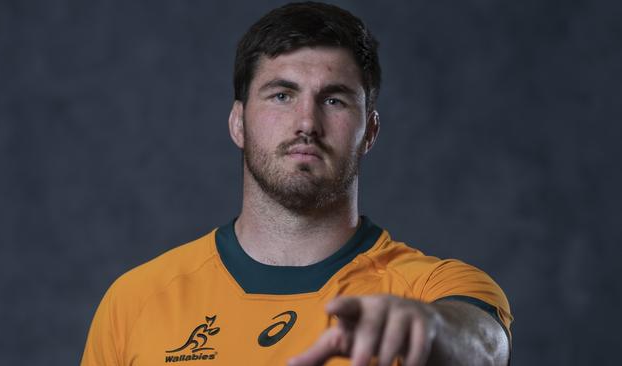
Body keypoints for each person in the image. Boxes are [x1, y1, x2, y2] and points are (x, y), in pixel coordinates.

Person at [81, 2, 512, 365]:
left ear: (371, 132)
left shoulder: (430, 289)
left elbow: (484, 344)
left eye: (334, 99)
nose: (307, 123)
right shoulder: (135, 301)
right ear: (238, 123)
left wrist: (429, 328)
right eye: (282, 95)